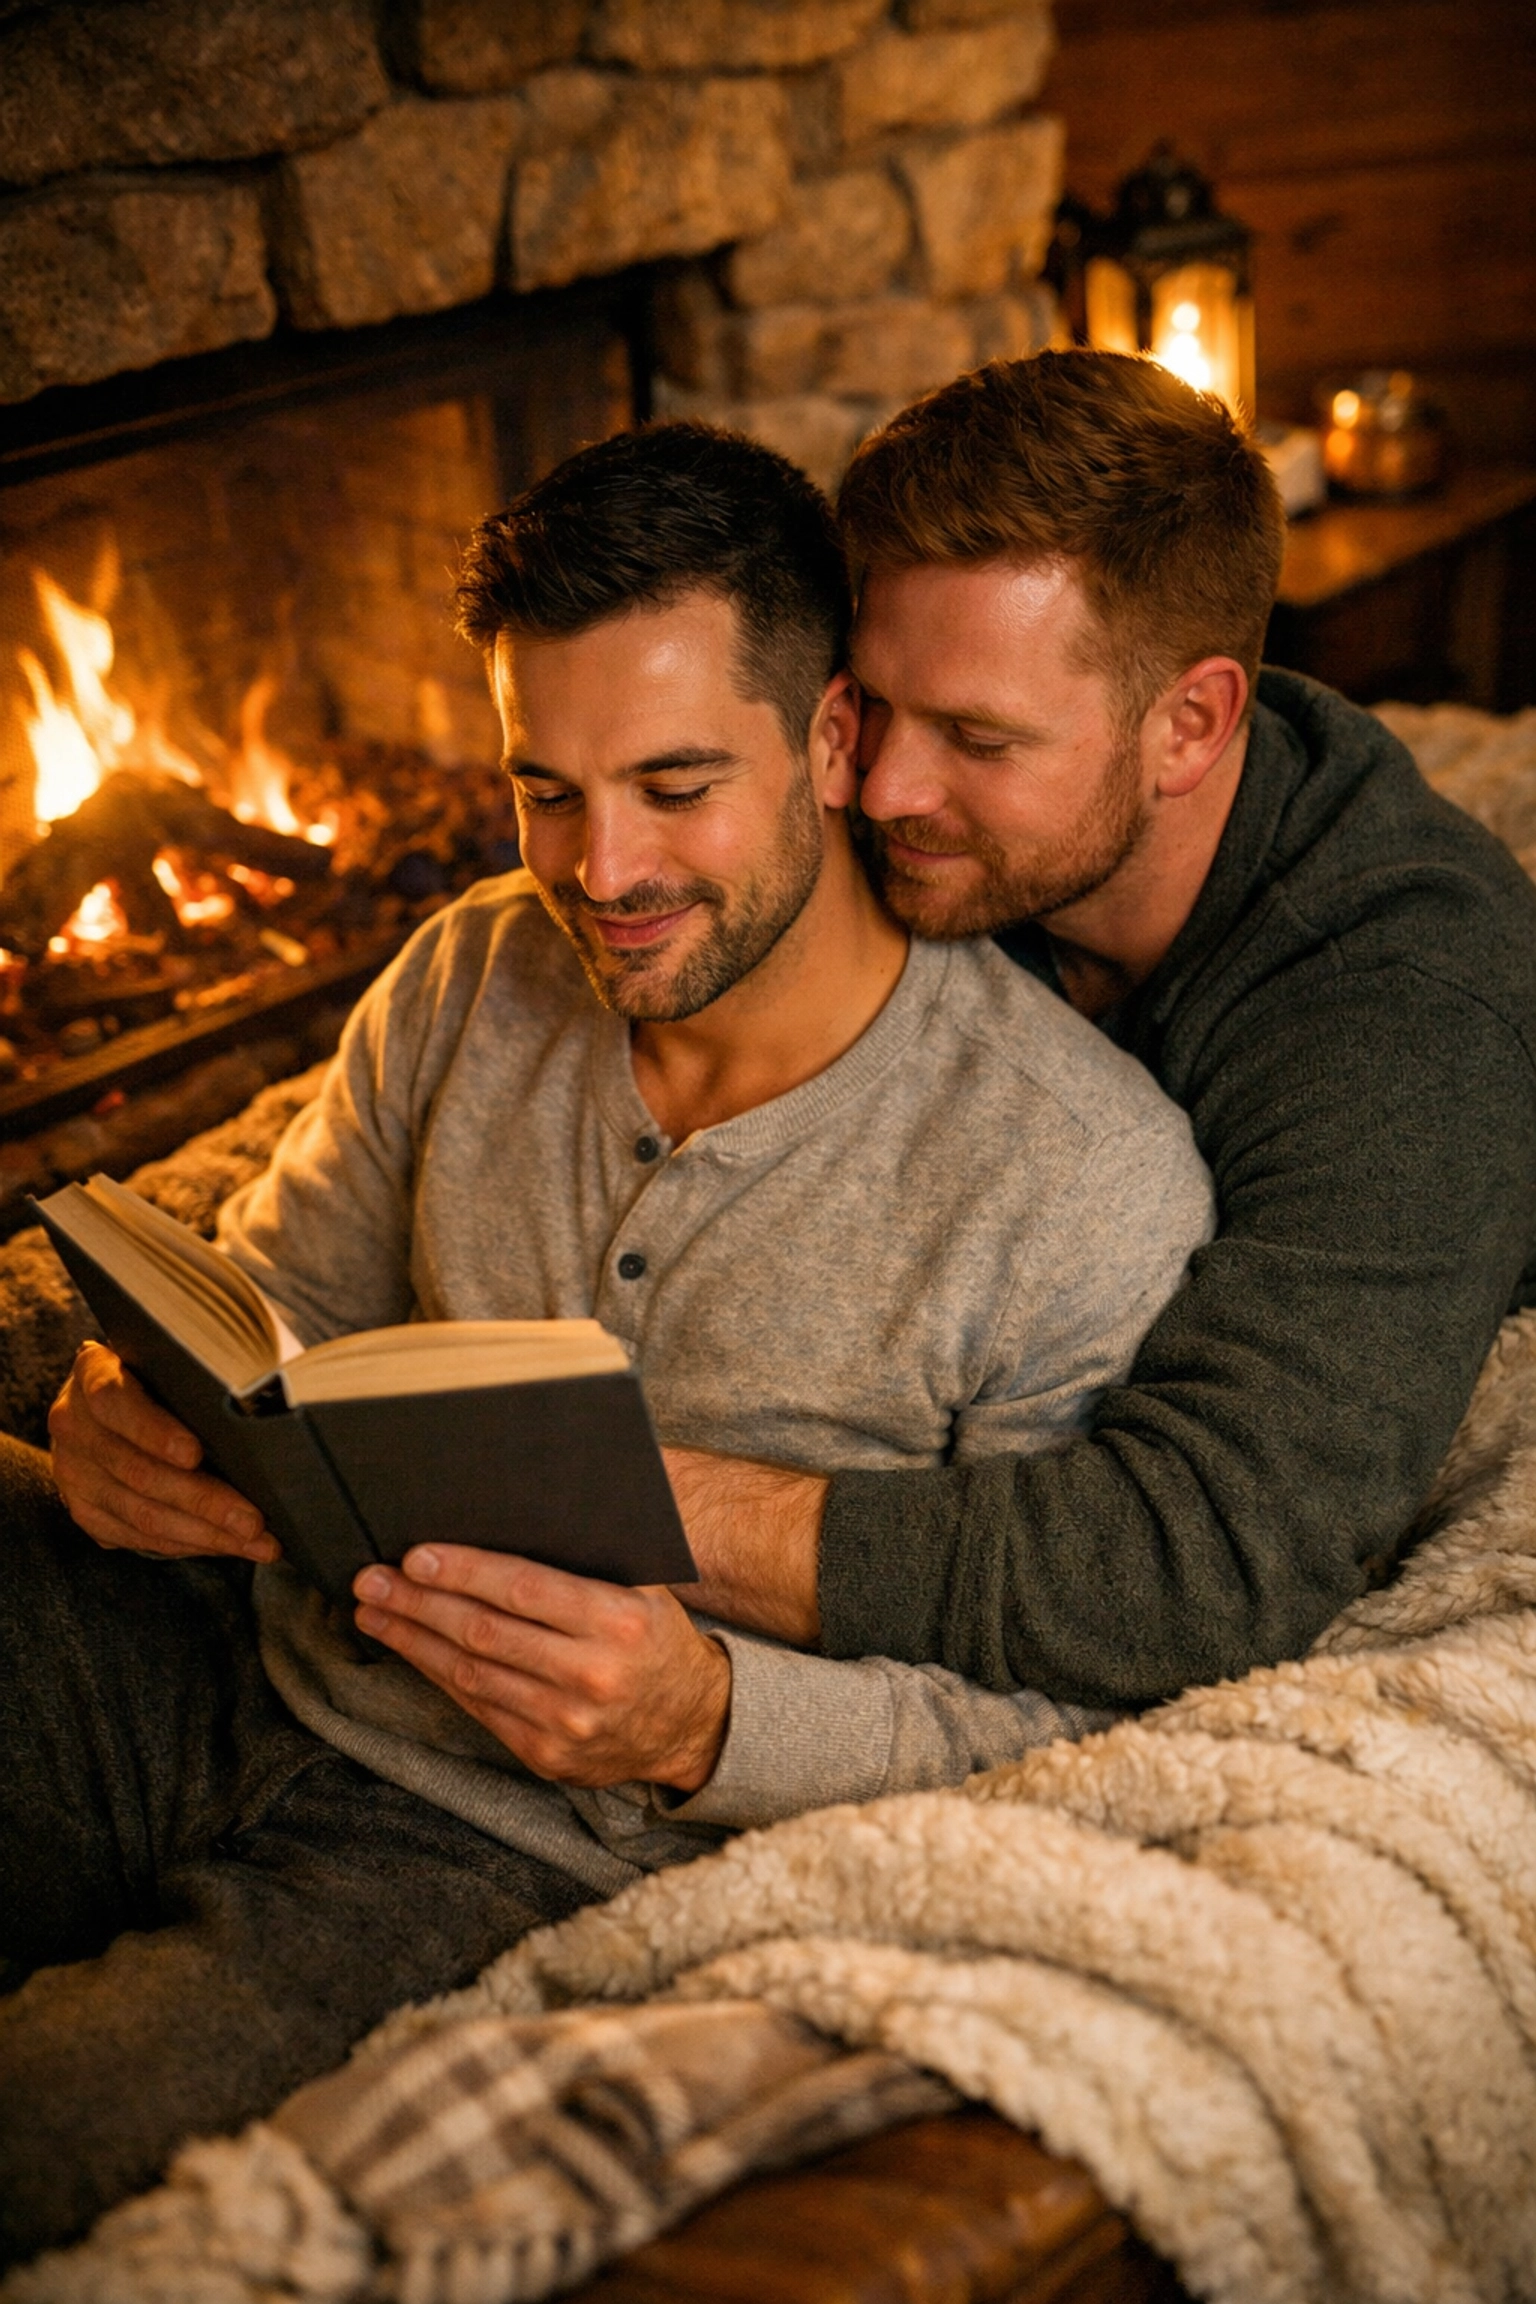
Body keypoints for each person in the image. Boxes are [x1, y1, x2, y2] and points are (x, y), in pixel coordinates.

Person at [1, 421, 1212, 2262]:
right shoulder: (472, 968)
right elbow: (272, 1310)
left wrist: (711, 1719)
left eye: (671, 784)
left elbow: (1064, 1711)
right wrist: (128, 1415)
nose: (602, 864)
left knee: (40, 2132)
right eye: (545, 789)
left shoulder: (1078, 1183)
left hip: (493, 1844)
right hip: (215, 1649)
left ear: (830, 747)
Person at [661, 350, 1536, 1712]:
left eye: (979, 737)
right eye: (872, 704)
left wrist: (630, 1509)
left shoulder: (1408, 1011)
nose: (883, 789)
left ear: (1191, 723)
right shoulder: (930, 836)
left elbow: (1207, 1562)